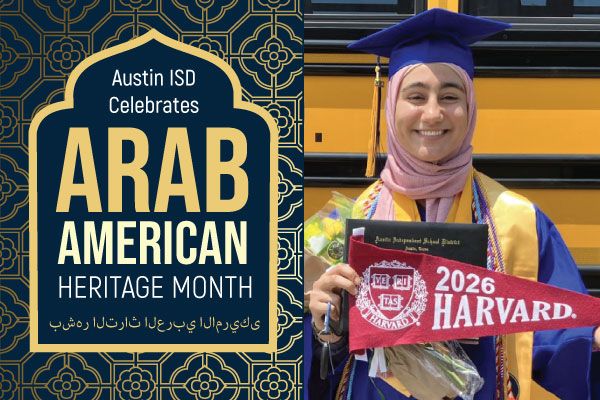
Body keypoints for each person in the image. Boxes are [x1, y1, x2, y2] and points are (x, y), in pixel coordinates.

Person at [306, 8, 600, 400]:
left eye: (449, 96)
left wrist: (590, 334)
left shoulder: (519, 222)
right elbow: (318, 369)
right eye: (415, 96)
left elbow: (562, 340)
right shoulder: (343, 222)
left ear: (470, 107)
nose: (433, 113)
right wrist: (324, 329)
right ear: (391, 106)